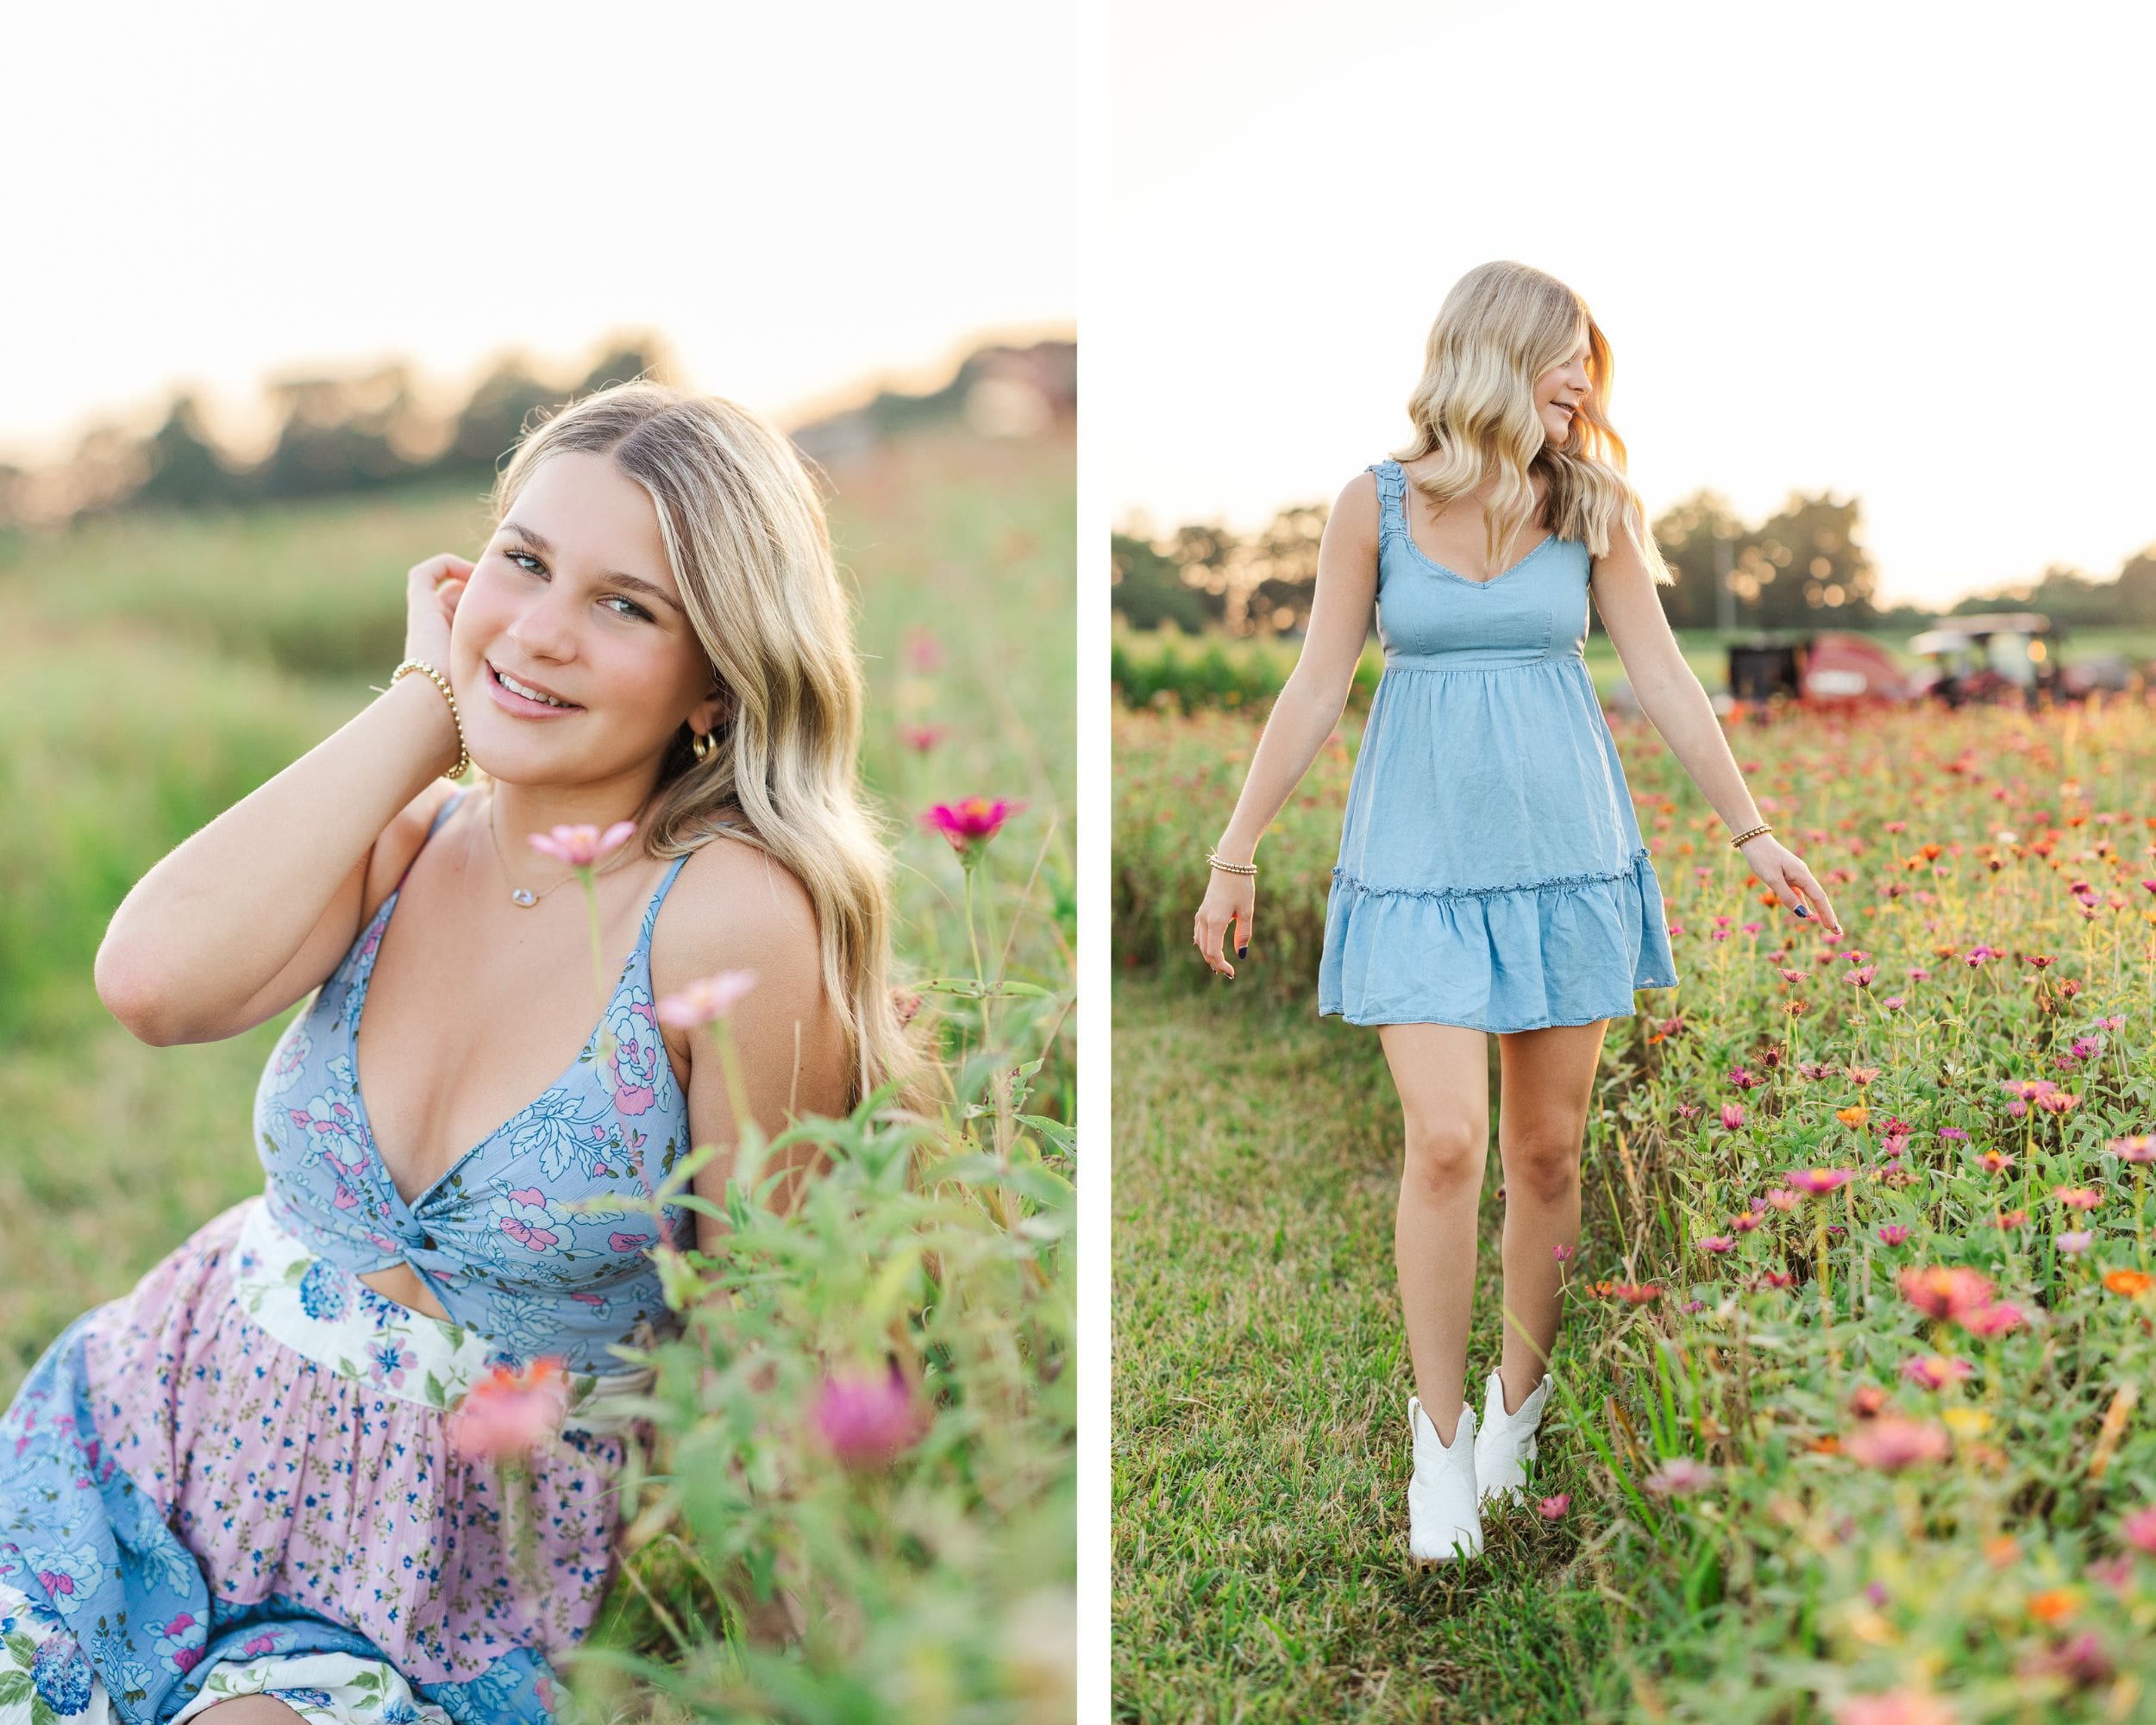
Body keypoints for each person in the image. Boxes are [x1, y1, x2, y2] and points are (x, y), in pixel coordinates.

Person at [0, 381, 933, 1719]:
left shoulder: (728, 912)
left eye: (626, 605)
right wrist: (425, 702)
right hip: (148, 1443)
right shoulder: (406, 836)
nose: (541, 633)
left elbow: (772, 1336)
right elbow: (150, 983)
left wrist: (836, 1671)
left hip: (427, 1579)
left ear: (716, 679)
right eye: (524, 562)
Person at [1189, 261, 1842, 1565]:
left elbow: (1662, 677)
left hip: (1568, 861)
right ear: (1496, 353)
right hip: (1418, 867)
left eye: (1592, 367)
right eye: (1566, 359)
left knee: (1548, 1158)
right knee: (1446, 1144)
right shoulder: (1370, 507)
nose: (1584, 386)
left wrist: (1751, 829)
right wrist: (1236, 850)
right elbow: (1317, 686)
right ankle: (1437, 1456)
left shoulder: (1595, 505)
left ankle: (1516, 1417)